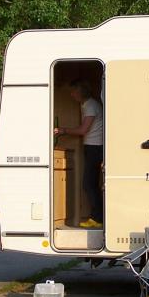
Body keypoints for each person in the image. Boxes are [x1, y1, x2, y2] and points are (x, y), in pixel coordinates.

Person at [54, 80, 104, 228]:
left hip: (95, 147)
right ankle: (97, 217)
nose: (72, 94)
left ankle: (98, 218)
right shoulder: (88, 105)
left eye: (74, 91)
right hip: (93, 147)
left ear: (81, 92)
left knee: (89, 184)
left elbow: (83, 130)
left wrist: (62, 130)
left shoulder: (90, 106)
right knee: (91, 183)